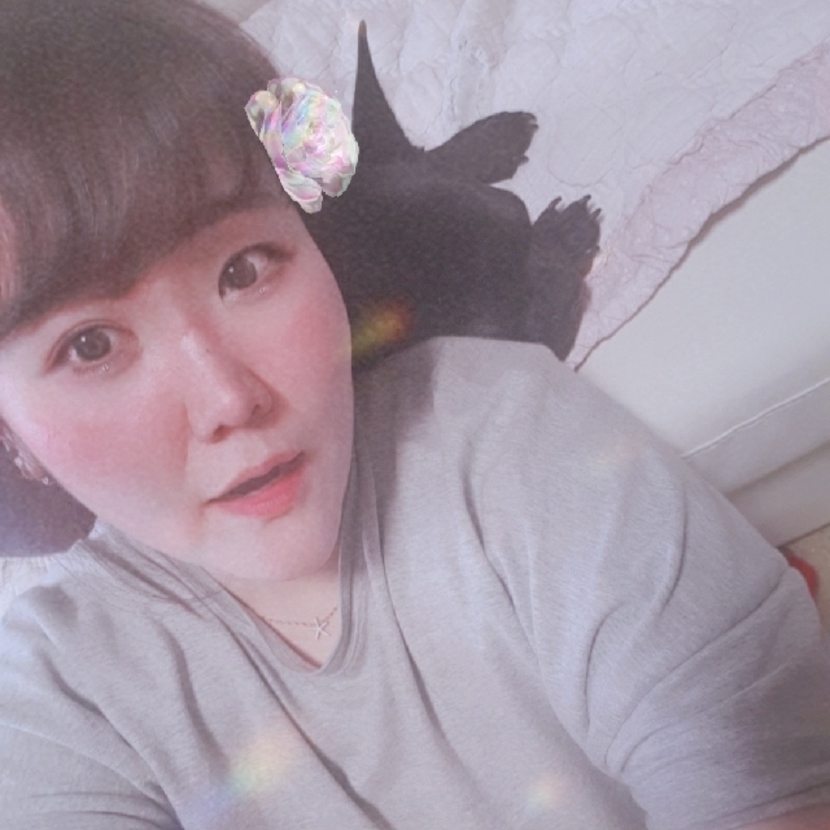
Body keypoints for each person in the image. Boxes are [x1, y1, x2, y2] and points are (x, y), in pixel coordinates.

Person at [0, 0, 829, 827]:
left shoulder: (509, 434)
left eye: (244, 269)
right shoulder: (57, 700)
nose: (229, 400)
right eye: (89, 346)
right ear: (12, 434)